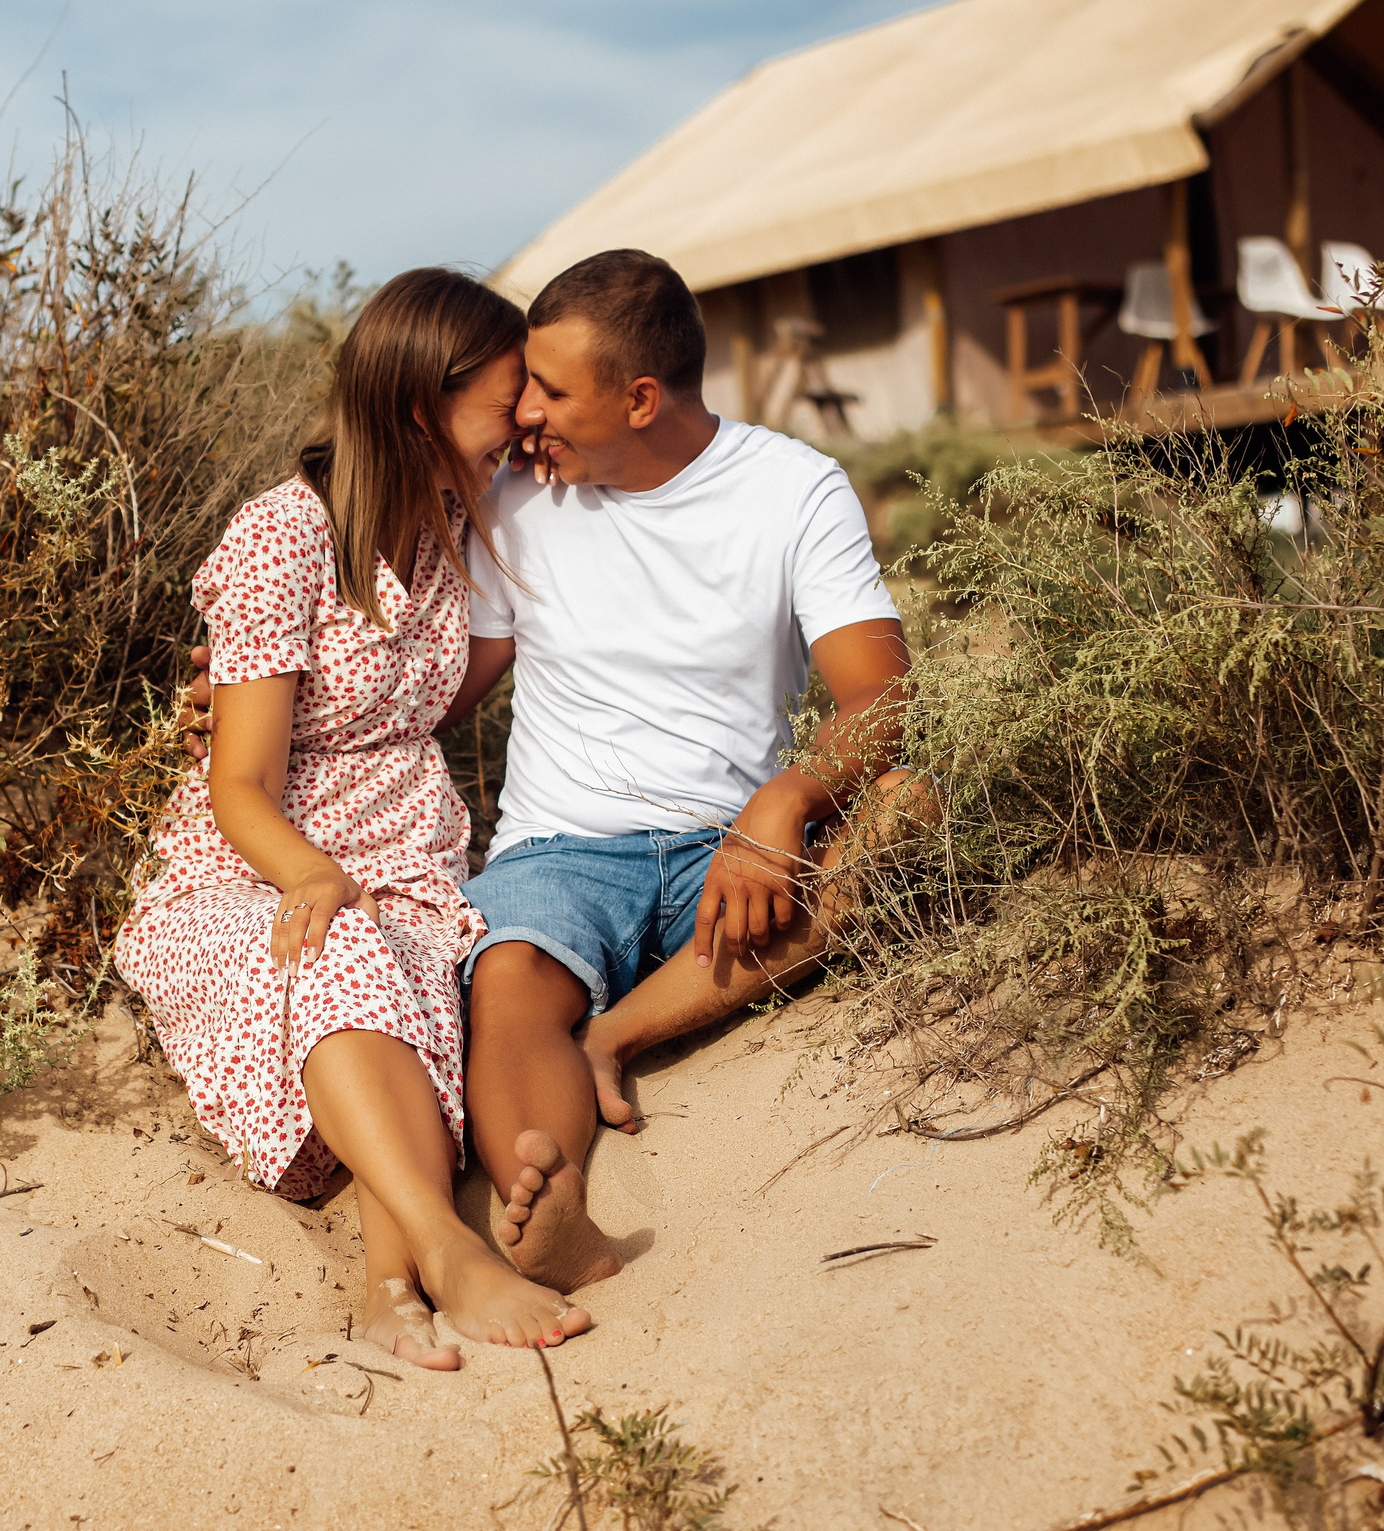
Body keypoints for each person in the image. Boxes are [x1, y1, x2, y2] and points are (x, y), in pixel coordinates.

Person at [113, 267, 589, 1369]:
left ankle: (388, 1289)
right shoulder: (283, 537)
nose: (525, 418)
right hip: (256, 864)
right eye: (508, 397)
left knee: (403, 975)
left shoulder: (458, 521)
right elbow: (240, 784)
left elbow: (432, 699)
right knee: (343, 942)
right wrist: (313, 871)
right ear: (423, 405)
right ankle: (443, 1250)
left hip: (410, 853)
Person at [449, 249, 923, 1296]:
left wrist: (783, 802)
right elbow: (438, 691)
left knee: (906, 809)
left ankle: (614, 1034)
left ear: (640, 398)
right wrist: (264, 697)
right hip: (563, 849)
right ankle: (551, 1202)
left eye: (551, 390)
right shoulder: (516, 498)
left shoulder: (793, 489)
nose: (525, 412)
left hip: (729, 853)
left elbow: (885, 697)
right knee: (510, 972)